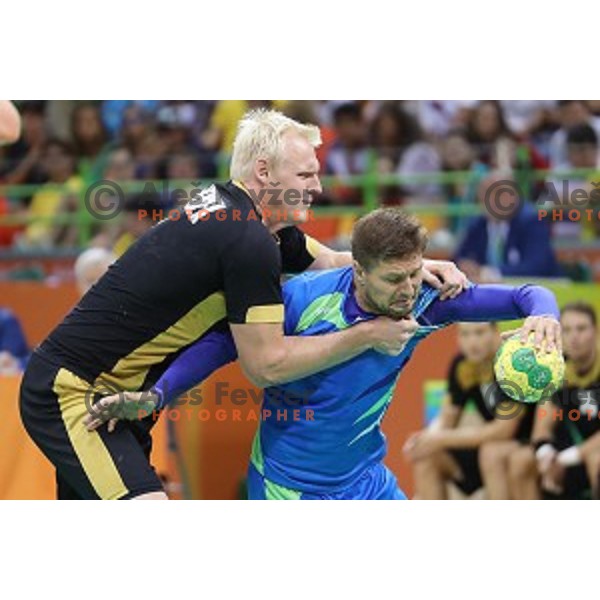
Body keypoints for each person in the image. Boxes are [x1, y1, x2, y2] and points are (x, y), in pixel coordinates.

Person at [20, 109, 467, 500]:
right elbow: (266, 366)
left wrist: (420, 265)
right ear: (264, 172)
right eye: (305, 175)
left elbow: (332, 260)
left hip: (120, 399)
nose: (318, 186)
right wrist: (368, 334)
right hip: (74, 392)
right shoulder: (247, 241)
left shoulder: (240, 215)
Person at [94, 209, 562, 500]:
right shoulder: (302, 299)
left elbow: (527, 293)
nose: (408, 290)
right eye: (394, 279)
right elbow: (222, 342)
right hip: (291, 488)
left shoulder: (426, 298)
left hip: (367, 482)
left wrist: (546, 314)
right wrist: (157, 394)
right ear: (358, 271)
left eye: (415, 274)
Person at [404, 322, 535, 500]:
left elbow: (504, 430)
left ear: (496, 332)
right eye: (465, 334)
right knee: (426, 454)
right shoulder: (463, 365)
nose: (472, 342)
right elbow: (447, 416)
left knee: (491, 453)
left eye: (479, 333)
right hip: (485, 448)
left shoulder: (513, 365)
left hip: (523, 443)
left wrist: (440, 438)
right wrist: (427, 438)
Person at [508, 302, 600, 499]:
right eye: (566, 330)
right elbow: (542, 425)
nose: (574, 337)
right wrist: (546, 455)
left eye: (581, 328)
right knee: (520, 460)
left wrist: (565, 459)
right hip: (566, 455)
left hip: (585, 454)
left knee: (597, 459)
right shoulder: (554, 370)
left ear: (596, 332)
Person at [455, 171, 561, 281]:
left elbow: (537, 266)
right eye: (485, 194)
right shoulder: (477, 224)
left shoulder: (531, 220)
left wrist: (492, 273)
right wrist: (466, 266)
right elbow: (460, 258)